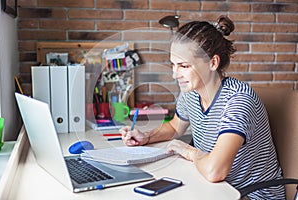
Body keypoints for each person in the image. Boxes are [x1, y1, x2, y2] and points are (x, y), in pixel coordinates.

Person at [120, 15, 285, 199]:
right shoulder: (191, 92)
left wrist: (189, 151)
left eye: (184, 66)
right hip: (212, 186)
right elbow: (175, 127)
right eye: (173, 65)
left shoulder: (238, 101)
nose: (175, 75)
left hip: (250, 195)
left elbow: (215, 171)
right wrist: (146, 137)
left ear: (213, 63)